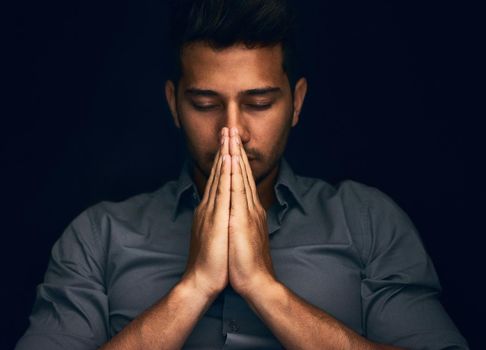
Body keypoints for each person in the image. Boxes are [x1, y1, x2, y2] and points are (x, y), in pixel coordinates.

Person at [16, 0, 468, 349]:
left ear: (298, 102)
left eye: (258, 103)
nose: (232, 131)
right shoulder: (98, 236)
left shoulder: (369, 222)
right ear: (174, 104)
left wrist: (264, 289)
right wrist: (194, 288)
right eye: (206, 105)